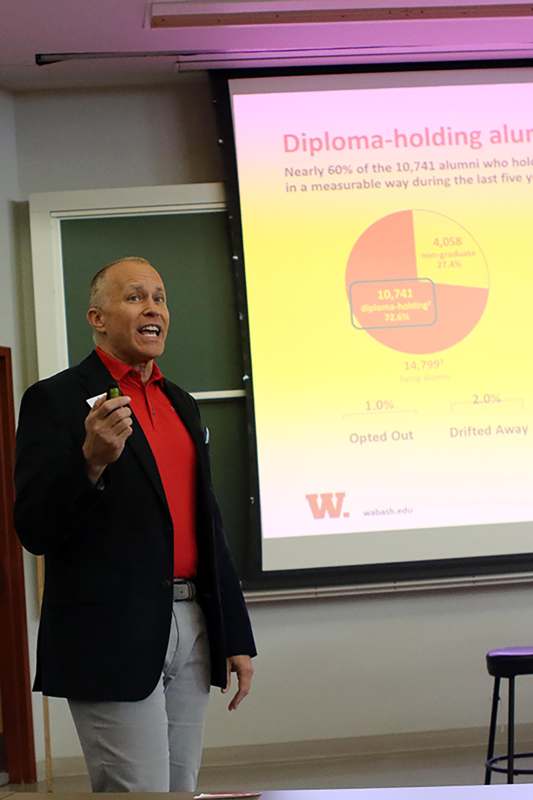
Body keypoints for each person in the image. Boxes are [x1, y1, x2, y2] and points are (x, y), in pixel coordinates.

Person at [14, 256, 256, 792]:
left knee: (180, 789)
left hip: (192, 624)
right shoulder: (54, 401)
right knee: (137, 795)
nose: (153, 308)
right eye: (135, 297)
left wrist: (233, 632)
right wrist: (91, 461)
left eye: (160, 297)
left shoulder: (180, 403)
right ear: (97, 318)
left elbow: (207, 523)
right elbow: (33, 528)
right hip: (110, 631)